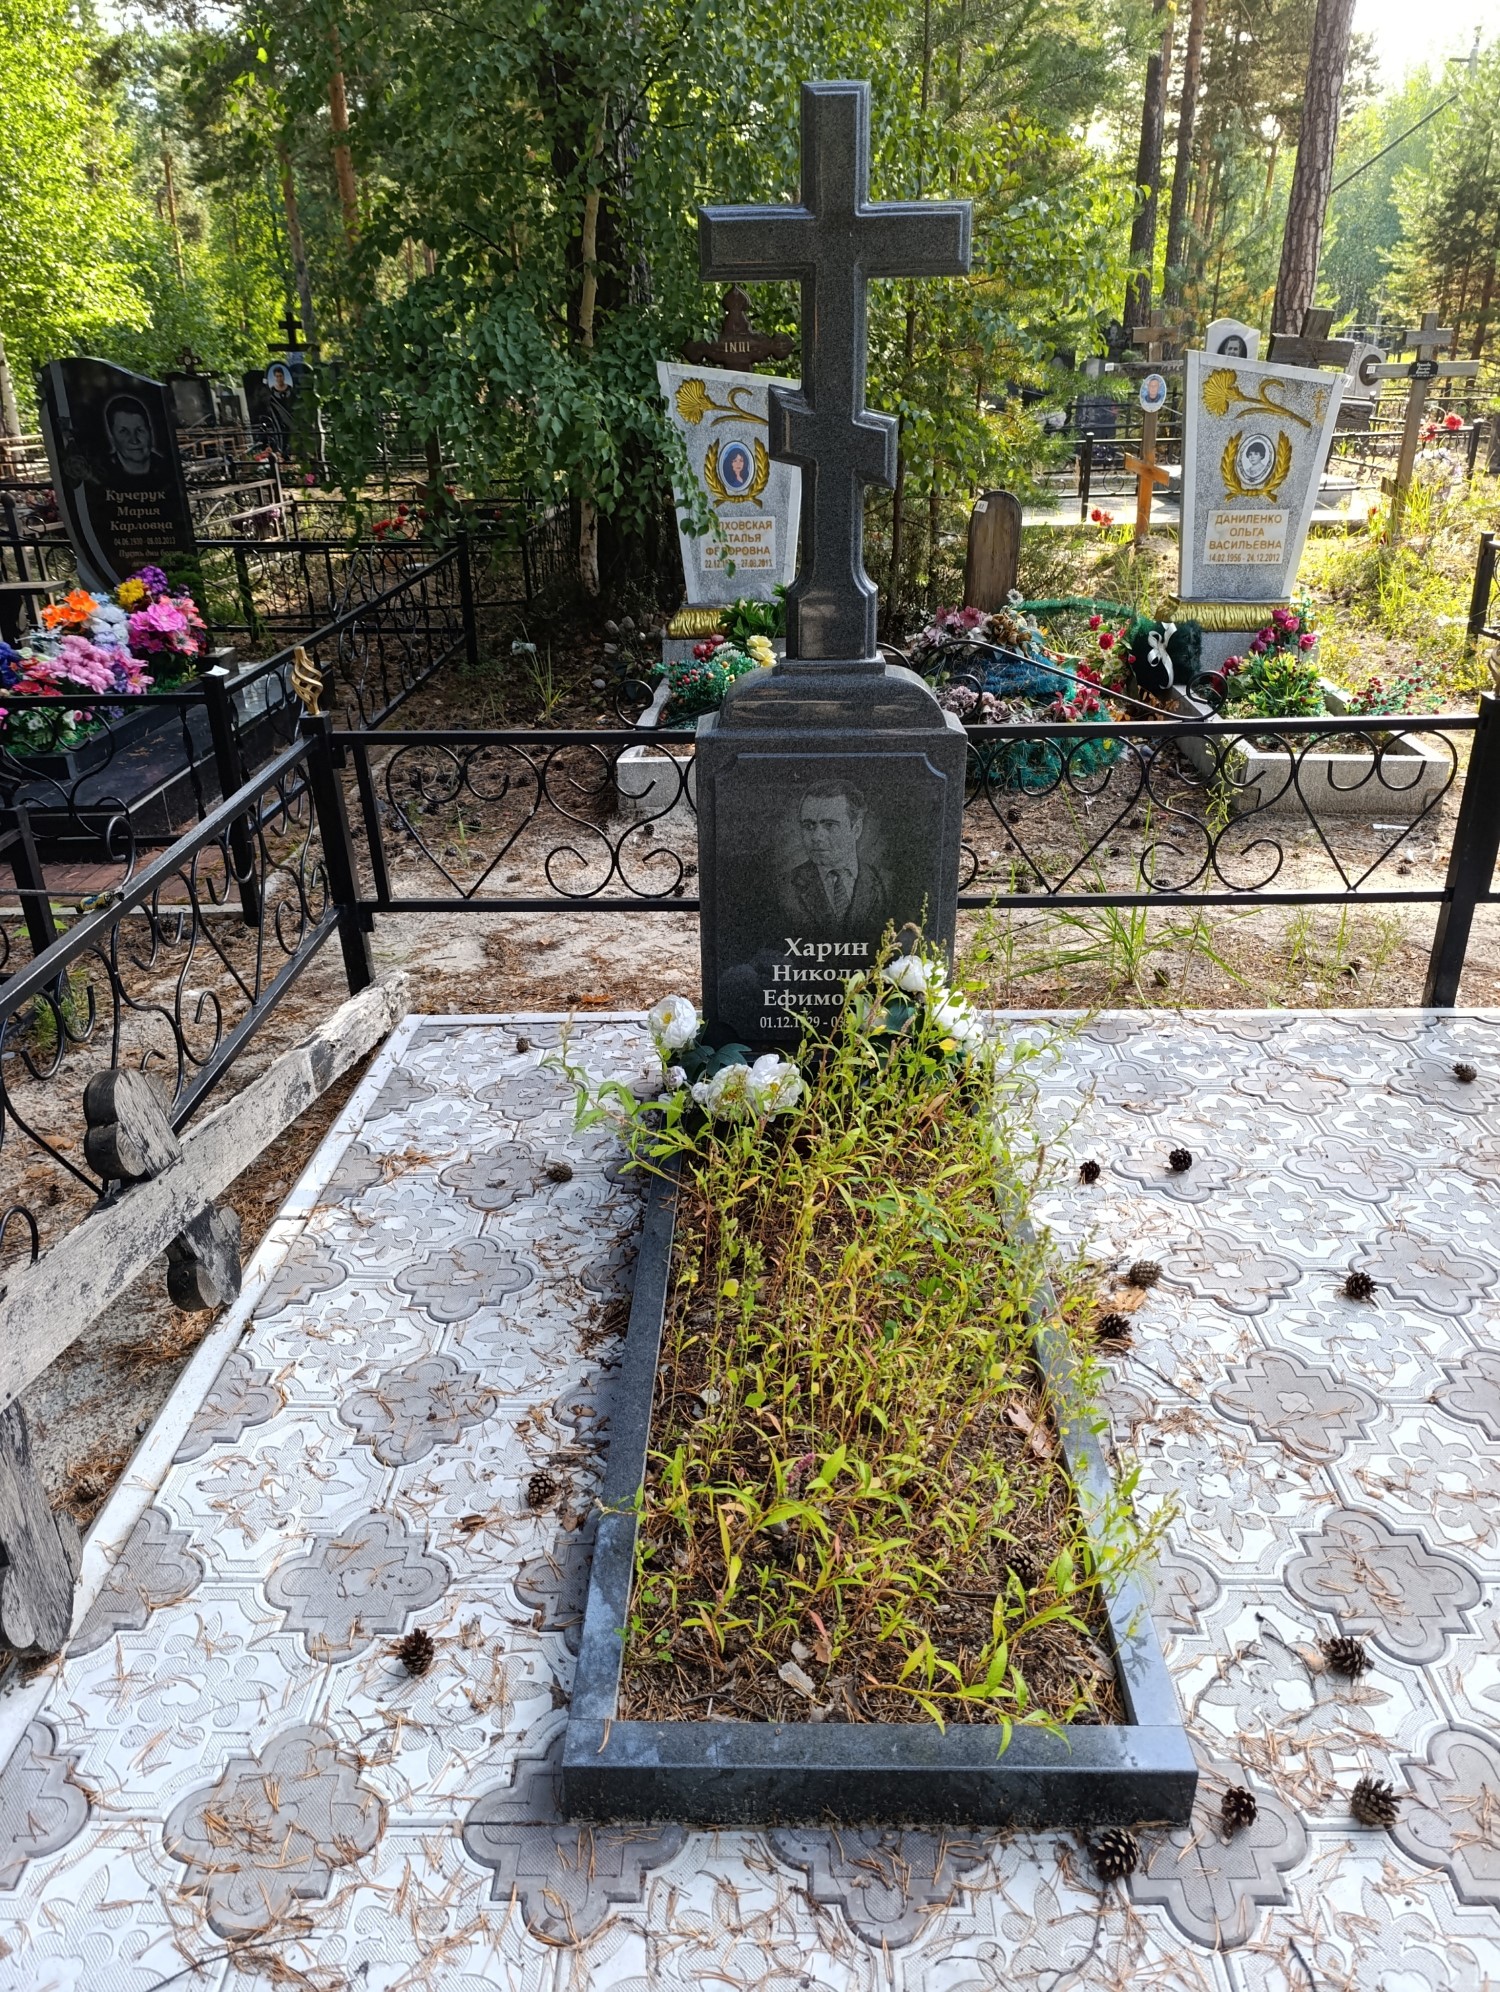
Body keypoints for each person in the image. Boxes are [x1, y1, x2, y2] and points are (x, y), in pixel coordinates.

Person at [783, 780, 891, 937]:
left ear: (856, 829)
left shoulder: (886, 884)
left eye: (829, 825)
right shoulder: (784, 888)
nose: (816, 837)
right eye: (809, 826)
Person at [102, 395, 165, 483]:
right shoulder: (100, 474)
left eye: (140, 430)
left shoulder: (168, 469)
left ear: (151, 432)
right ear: (112, 437)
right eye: (124, 431)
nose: (134, 440)